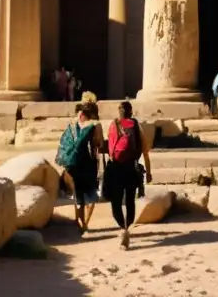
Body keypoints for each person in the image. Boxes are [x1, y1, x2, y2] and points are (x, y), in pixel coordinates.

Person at [105, 101, 153, 250]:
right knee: (130, 200)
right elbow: (145, 151)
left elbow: (109, 149)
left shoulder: (113, 125)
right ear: (131, 112)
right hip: (131, 168)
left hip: (115, 169)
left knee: (116, 201)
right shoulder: (136, 126)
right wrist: (149, 171)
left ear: (119, 112)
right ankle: (127, 227)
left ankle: (122, 228)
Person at [55, 97, 105, 236]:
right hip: (88, 165)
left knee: (78, 197)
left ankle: (79, 223)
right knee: (91, 196)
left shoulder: (71, 126)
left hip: (72, 166)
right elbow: (99, 144)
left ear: (81, 113)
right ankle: (85, 225)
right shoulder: (95, 126)